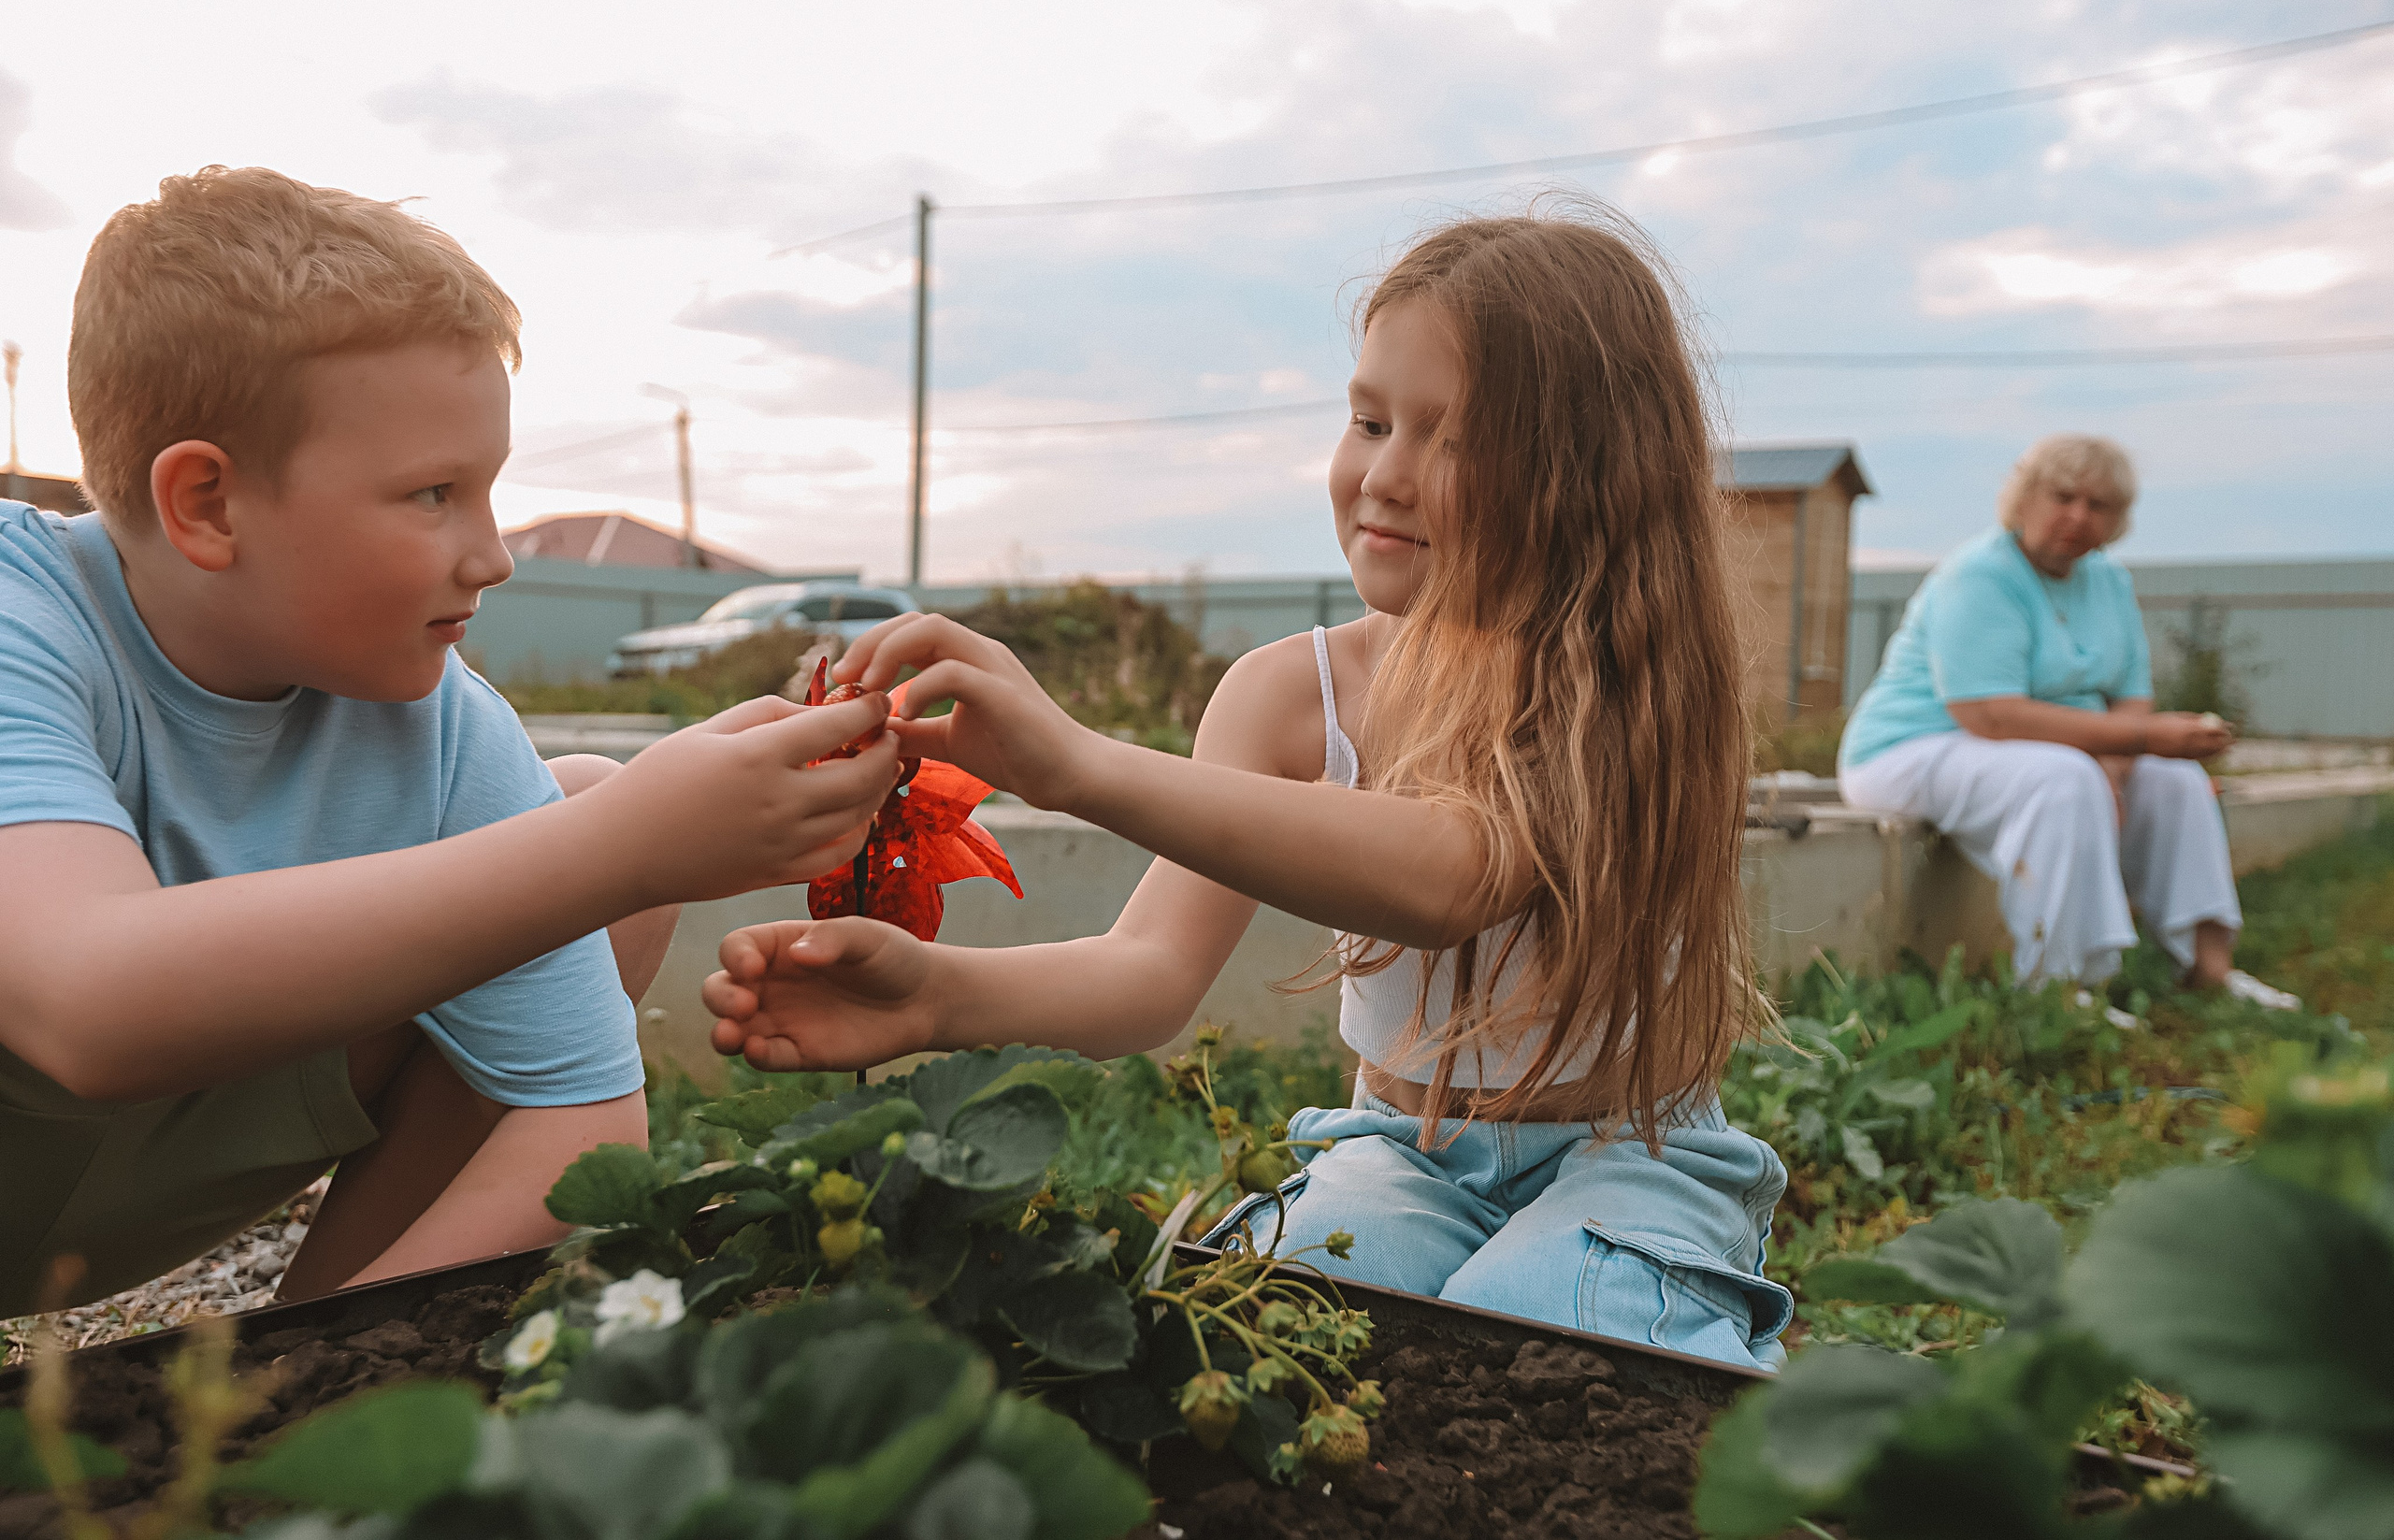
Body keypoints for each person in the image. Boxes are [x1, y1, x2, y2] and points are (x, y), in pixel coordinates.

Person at [700, 206, 1794, 1370]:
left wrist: (1078, 767)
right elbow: (1149, 973)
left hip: (1630, 1158)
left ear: (1590, 477)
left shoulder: (1626, 681)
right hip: (1400, 1146)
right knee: (1288, 1334)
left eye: (1453, 439)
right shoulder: (1288, 695)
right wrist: (933, 995)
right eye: (1369, 419)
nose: (1383, 474)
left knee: (1551, 1339)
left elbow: (1457, 871)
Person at [0, 167, 901, 1320]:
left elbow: (581, 1124)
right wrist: (627, 846)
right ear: (209, 506)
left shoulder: (430, 716)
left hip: (101, 1197)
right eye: (433, 494)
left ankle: (301, 1369)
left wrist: (284, 1418)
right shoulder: (26, 621)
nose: (494, 554)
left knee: (569, 811)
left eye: (489, 491)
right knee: (585, 841)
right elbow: (91, 1006)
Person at [1838, 434, 2296, 1008]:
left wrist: (2117, 768)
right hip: (1910, 749)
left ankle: (2210, 970)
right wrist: (2140, 742)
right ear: (2025, 497)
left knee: (2177, 782)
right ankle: (2056, 989)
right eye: (2064, 496)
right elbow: (1988, 714)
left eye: (2098, 504)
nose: (2078, 516)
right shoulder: (1979, 574)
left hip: (2041, 753)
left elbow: (2131, 697)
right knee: (2063, 778)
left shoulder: (2108, 582)